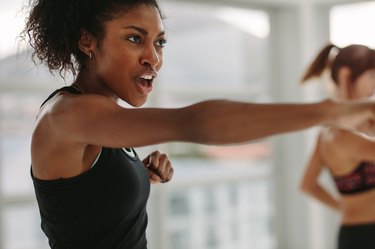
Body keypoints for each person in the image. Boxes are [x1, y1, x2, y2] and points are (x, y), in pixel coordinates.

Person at [21, 0, 375, 248]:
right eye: (134, 38)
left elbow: (82, 213)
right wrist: (332, 112)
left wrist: (138, 176)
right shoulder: (69, 114)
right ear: (87, 41)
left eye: (159, 42)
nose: (153, 57)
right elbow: (193, 122)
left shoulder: (101, 119)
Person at [299, 43, 375, 249]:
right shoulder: (338, 135)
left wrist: (343, 208)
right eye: (371, 76)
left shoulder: (356, 127)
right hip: (364, 236)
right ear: (345, 75)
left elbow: (307, 184)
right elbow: (307, 186)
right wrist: (344, 208)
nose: (374, 85)